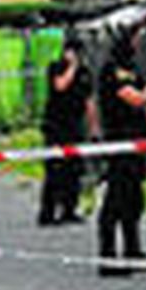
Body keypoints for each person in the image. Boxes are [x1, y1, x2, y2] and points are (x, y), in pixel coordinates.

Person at [95, 26, 146, 278]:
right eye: (135, 39)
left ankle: (132, 248)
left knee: (134, 199)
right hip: (119, 141)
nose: (138, 44)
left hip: (136, 141)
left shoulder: (133, 68)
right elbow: (136, 98)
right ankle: (107, 256)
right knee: (115, 200)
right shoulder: (112, 70)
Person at [38, 36, 94, 226]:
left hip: (74, 125)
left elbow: (89, 101)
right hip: (55, 125)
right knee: (55, 170)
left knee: (74, 170)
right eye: (73, 52)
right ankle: (47, 212)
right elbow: (60, 85)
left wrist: (92, 128)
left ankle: (69, 209)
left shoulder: (85, 73)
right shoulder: (55, 67)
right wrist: (72, 67)